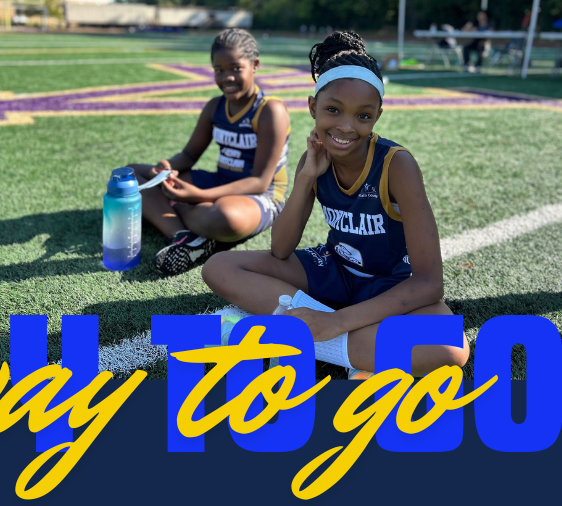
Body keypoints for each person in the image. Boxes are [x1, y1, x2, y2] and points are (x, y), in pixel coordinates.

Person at [201, 31, 469, 378]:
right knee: (220, 267)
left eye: (363, 116)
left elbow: (429, 283)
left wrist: (334, 322)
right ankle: (350, 350)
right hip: (335, 271)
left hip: (390, 285)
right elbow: (280, 248)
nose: (346, 126)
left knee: (450, 346)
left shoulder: (396, 164)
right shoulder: (313, 158)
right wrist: (306, 178)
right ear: (313, 107)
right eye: (332, 110)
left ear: (378, 115)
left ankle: (287, 333)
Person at [129, 28, 290, 276]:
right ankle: (184, 236)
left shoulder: (270, 111)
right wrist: (167, 168)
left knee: (225, 218)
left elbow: (260, 182)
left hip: (263, 197)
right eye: (219, 70)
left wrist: (197, 195)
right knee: (130, 175)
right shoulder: (214, 107)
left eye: (236, 68)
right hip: (220, 181)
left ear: (255, 65)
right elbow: (189, 156)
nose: (227, 77)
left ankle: (177, 211)